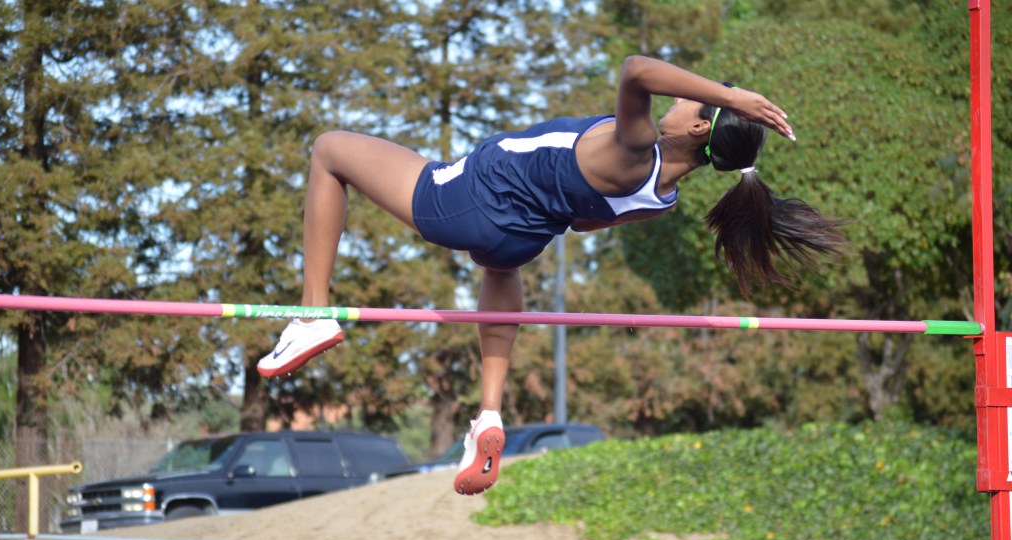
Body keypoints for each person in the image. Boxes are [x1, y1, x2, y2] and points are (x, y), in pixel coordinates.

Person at [257, 55, 847, 496]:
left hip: (466, 197)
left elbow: (637, 69)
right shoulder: (659, 196)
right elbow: (582, 222)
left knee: (330, 150)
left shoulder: (637, 147)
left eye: (690, 105)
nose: (676, 101)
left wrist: (730, 93)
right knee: (497, 265)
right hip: (521, 235)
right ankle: (489, 413)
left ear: (697, 130)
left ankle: (312, 314)